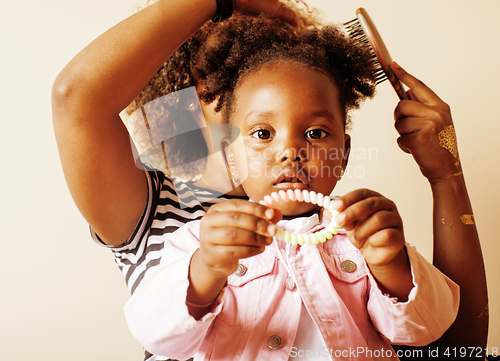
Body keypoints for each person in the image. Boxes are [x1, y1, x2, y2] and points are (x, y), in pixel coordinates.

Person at [51, 0, 487, 361]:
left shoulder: (346, 227)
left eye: (312, 129)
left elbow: (453, 349)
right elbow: (78, 98)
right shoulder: (160, 210)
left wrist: (446, 175)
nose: (288, 149)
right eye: (235, 65)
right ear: (192, 93)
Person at [123, 21, 460, 359]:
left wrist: (392, 266)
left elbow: (430, 328)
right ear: (231, 157)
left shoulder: (362, 233)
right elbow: (157, 337)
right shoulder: (199, 241)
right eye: (262, 134)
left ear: (343, 156)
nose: (290, 151)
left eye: (315, 133)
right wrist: (206, 269)